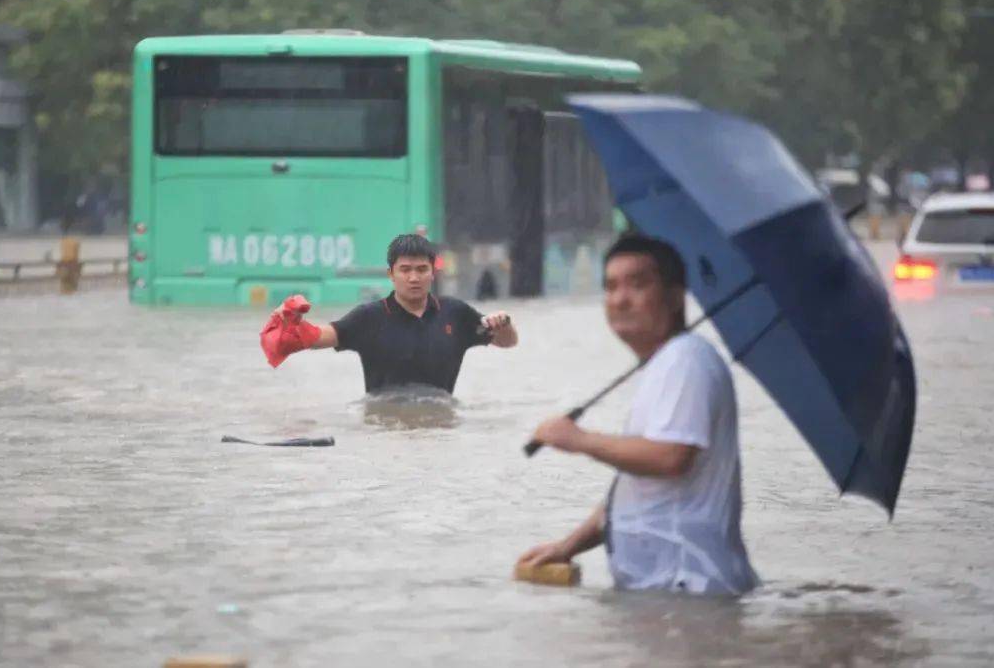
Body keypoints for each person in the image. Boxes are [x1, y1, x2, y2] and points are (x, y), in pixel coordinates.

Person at [518, 234, 758, 596]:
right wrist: (568, 546)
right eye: (611, 286)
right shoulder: (663, 366)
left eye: (637, 284)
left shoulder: (686, 360)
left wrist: (579, 440)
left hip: (689, 593)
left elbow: (671, 458)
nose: (620, 299)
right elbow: (641, 490)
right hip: (659, 596)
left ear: (676, 296)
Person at [263, 233, 518, 394]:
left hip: (441, 431)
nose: (414, 277)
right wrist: (290, 324)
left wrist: (504, 324)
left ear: (433, 272)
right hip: (384, 429)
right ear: (391, 274)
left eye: (421, 269)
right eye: (405, 269)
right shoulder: (368, 318)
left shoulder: (455, 313)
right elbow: (320, 336)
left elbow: (507, 342)